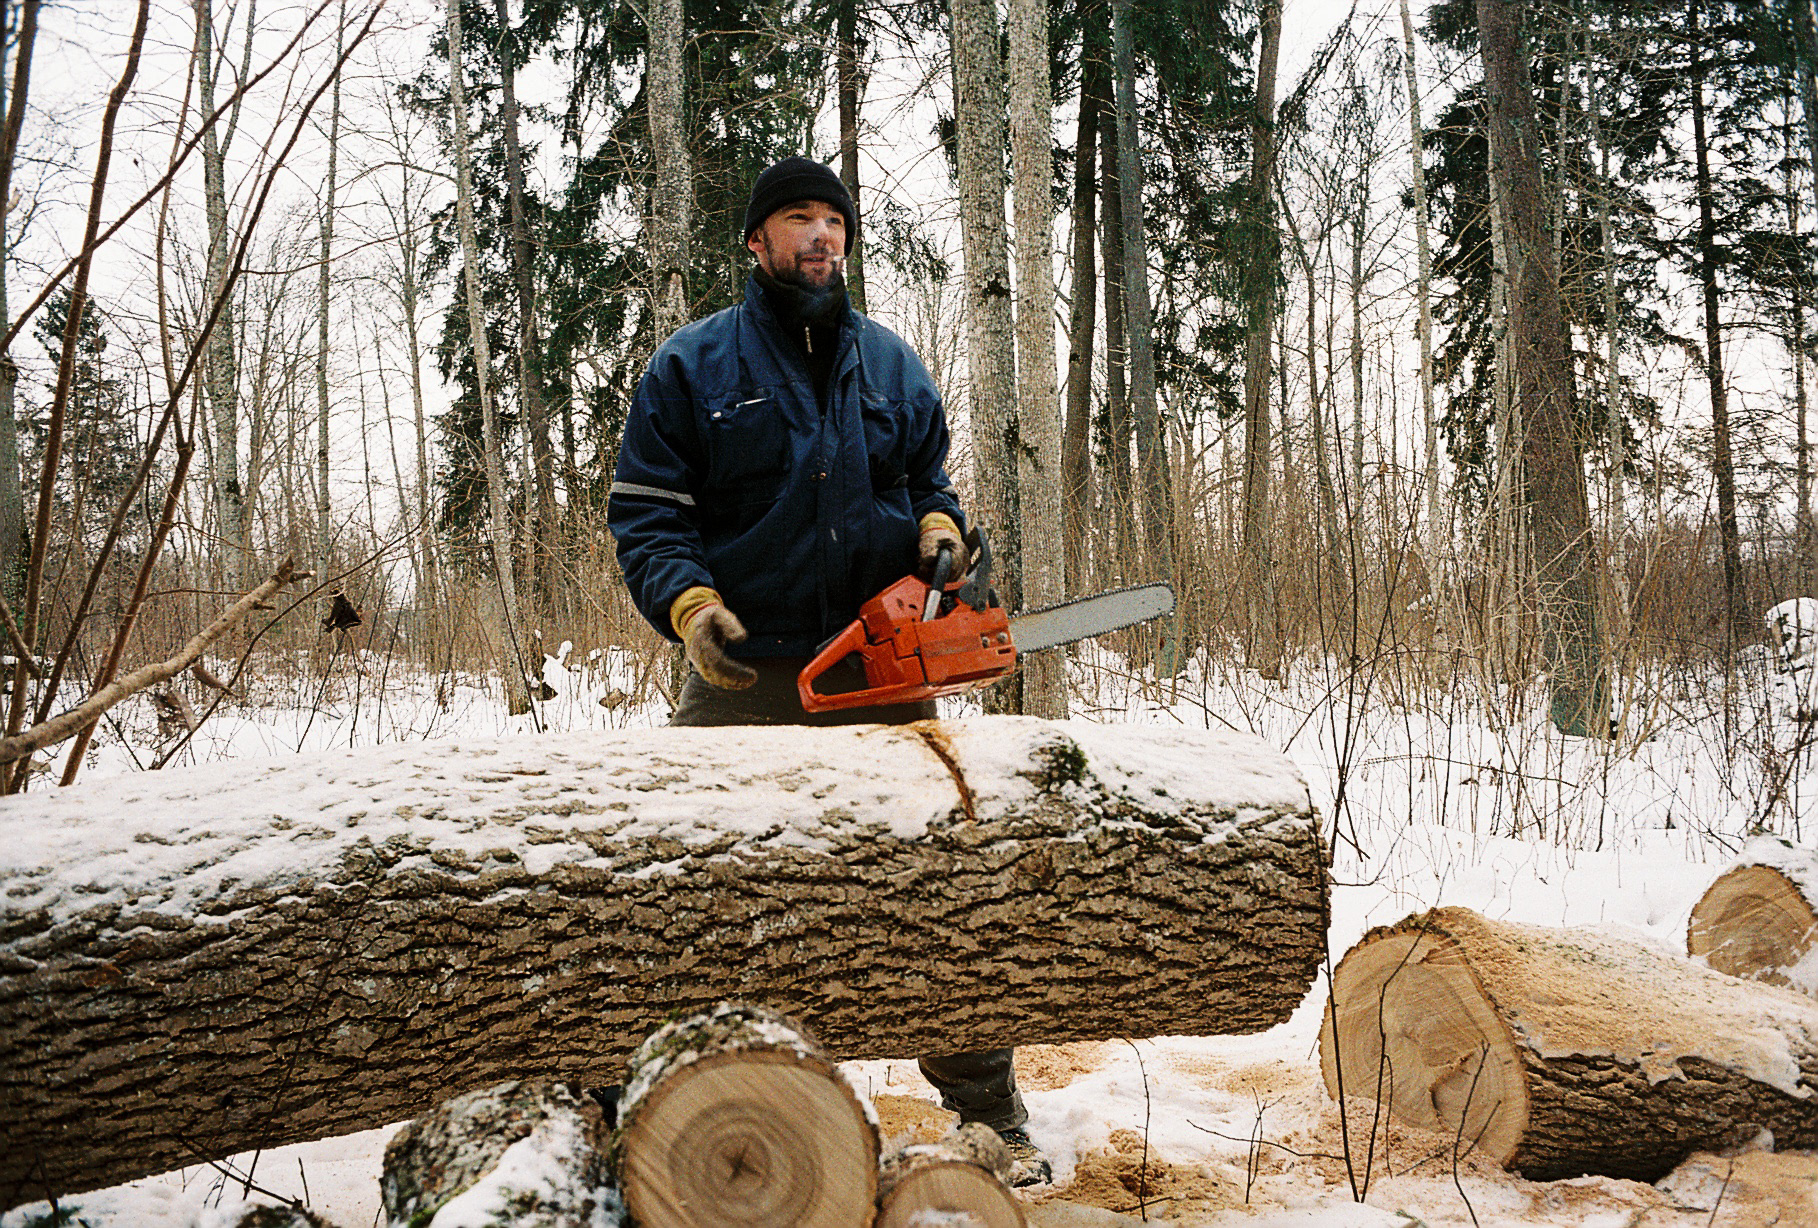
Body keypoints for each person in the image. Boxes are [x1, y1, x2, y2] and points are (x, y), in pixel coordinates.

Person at [607, 155, 1049, 1185]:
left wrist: (941, 534)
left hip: (882, 671)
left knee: (943, 882)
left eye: (834, 220)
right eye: (799, 217)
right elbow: (649, 515)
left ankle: (991, 1110)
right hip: (744, 674)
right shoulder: (692, 367)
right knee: (688, 884)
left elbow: (930, 482)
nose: (821, 235)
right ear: (756, 241)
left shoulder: (890, 364)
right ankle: (655, 1102)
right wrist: (692, 609)